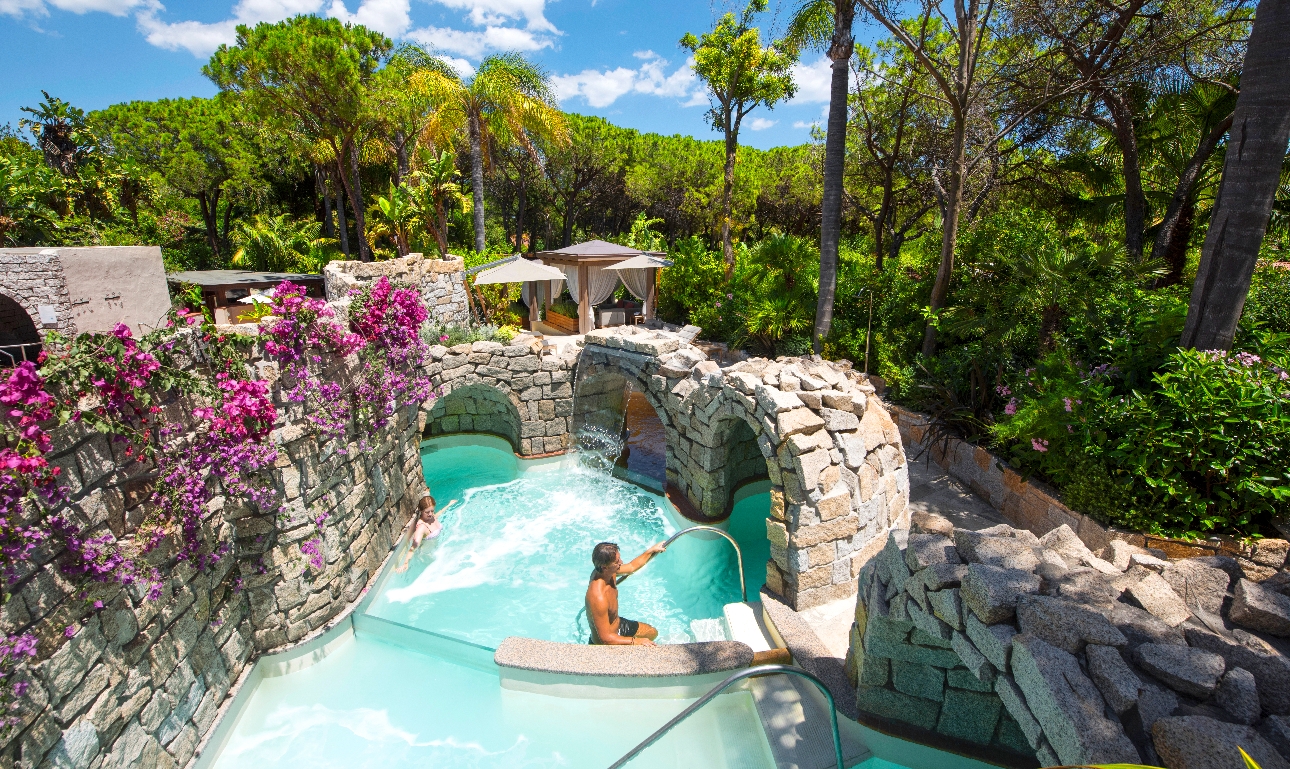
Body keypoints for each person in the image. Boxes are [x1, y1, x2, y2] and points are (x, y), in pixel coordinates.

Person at [585, 541, 666, 645]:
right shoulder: (598, 597)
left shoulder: (609, 571)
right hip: (605, 643)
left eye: (619, 558)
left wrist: (651, 550)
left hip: (618, 624)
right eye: (617, 561)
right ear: (604, 567)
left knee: (651, 633)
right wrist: (636, 641)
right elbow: (605, 638)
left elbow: (631, 567)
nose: (621, 562)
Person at [394, 495, 456, 573]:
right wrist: (406, 563)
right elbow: (413, 547)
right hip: (427, 556)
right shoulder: (422, 527)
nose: (430, 514)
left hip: (437, 549)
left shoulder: (431, 517)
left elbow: (436, 516)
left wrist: (448, 505)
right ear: (421, 510)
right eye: (427, 512)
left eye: (432, 511)